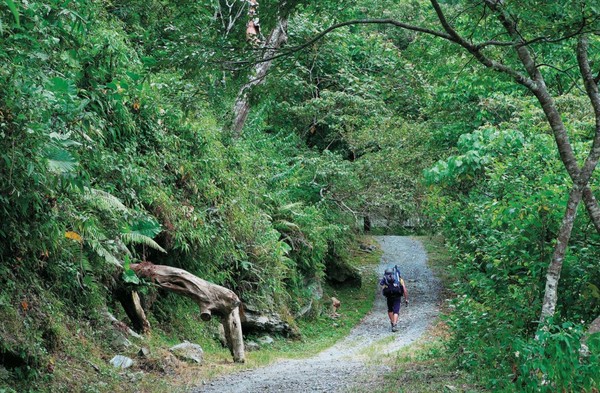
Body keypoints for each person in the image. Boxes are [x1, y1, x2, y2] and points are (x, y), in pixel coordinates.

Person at [380, 267, 409, 332]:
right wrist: (406, 298)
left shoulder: (385, 279)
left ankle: (392, 322)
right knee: (396, 310)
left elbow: (382, 287)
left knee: (390, 309)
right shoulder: (399, 279)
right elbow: (404, 289)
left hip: (389, 296)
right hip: (397, 296)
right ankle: (395, 324)